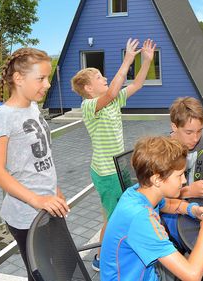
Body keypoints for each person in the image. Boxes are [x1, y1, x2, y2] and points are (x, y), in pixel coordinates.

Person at [70, 38, 156, 271]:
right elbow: (111, 93)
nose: (105, 78)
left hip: (119, 168)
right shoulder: (88, 106)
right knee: (112, 216)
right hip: (106, 173)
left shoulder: (114, 99)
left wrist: (145, 61)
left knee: (117, 212)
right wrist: (128, 59)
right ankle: (100, 258)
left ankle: (117, 248)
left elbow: (137, 84)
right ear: (88, 88)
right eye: (99, 77)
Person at [0, 48, 70, 280]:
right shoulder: (2, 117)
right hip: (26, 215)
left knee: (62, 268)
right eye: (41, 78)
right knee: (42, 275)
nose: (48, 84)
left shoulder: (33, 108)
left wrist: (55, 189)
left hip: (50, 205)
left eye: (48, 78)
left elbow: (41, 158)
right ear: (19, 78)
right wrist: (37, 199)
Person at [101, 136, 203, 281]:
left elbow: (171, 205)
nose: (184, 181)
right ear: (157, 179)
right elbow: (192, 275)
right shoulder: (141, 219)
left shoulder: (139, 192)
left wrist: (195, 210)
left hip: (148, 273)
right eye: (179, 176)